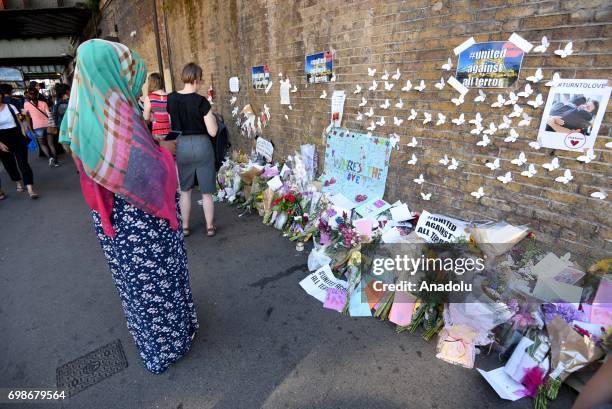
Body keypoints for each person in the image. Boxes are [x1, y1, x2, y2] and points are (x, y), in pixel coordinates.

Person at [59, 39, 198, 374]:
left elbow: (98, 166)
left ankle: (150, 340)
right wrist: (164, 151)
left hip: (112, 223)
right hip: (140, 223)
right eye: (124, 71)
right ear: (110, 71)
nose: (131, 81)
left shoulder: (80, 115)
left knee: (133, 286)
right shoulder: (117, 117)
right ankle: (168, 345)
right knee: (155, 282)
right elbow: (143, 172)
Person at [167, 63, 218, 237]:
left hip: (182, 146)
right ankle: (210, 227)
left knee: (185, 190)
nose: (202, 83)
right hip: (203, 145)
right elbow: (213, 131)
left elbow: (170, 126)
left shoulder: (171, 99)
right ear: (196, 79)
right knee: (207, 191)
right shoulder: (201, 101)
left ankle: (185, 227)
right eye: (201, 79)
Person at [0, 83, 38, 199]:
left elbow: (21, 121)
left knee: (23, 163)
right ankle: (18, 181)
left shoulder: (11, 106)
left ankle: (30, 189)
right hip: (2, 139)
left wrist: (24, 132)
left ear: (1, 95)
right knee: (9, 165)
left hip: (16, 136)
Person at [23, 87, 60, 167]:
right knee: (51, 144)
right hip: (48, 125)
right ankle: (56, 162)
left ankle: (50, 157)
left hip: (37, 127)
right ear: (37, 94)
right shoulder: (43, 103)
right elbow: (49, 114)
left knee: (43, 145)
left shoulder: (26, 104)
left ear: (29, 94)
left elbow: (27, 117)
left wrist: (30, 128)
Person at [142, 73, 171, 141]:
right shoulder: (169, 96)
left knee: (160, 151)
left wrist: (152, 117)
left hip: (157, 133)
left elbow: (146, 117)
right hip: (169, 130)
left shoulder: (149, 97)